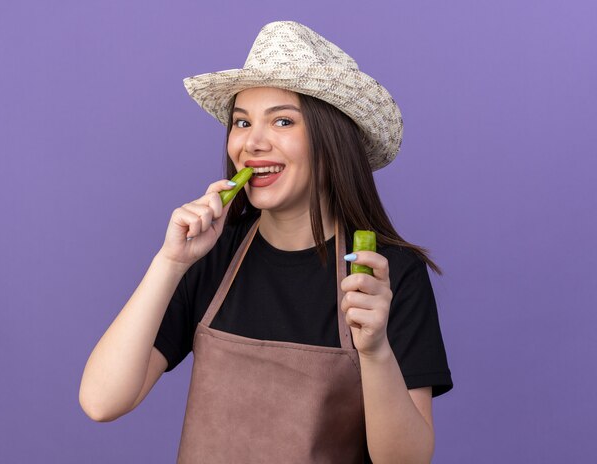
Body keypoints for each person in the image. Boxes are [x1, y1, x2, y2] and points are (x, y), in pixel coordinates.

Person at [79, 21, 452, 463]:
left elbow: (406, 460)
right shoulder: (210, 254)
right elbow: (102, 402)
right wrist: (169, 262)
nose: (252, 142)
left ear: (330, 140)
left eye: (282, 120)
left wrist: (374, 351)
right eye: (241, 121)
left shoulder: (384, 275)